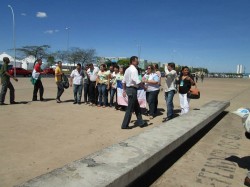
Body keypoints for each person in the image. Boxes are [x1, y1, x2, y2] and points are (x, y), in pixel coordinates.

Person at [121, 56, 147, 129]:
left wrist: (124, 90)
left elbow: (123, 81)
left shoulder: (127, 70)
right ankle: (124, 125)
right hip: (132, 90)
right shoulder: (134, 70)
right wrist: (144, 87)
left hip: (130, 89)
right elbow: (137, 81)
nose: (138, 62)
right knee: (130, 108)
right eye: (136, 61)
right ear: (133, 61)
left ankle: (141, 122)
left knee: (137, 107)